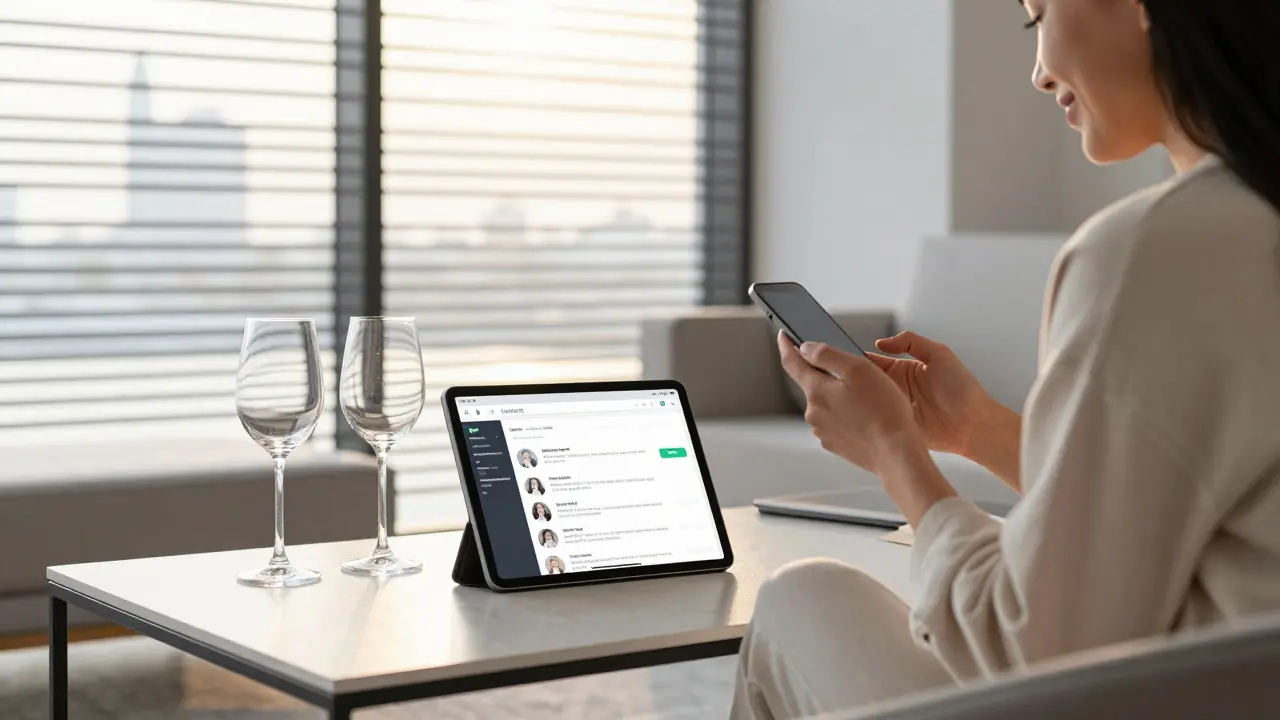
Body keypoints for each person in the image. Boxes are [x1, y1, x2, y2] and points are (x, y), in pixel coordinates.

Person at [732, 2, 1280, 719]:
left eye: (1038, 15)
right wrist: (977, 429)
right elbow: (1164, 511)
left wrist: (894, 451)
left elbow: (1037, 646)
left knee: (798, 598)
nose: (1040, 72)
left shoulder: (1153, 250)